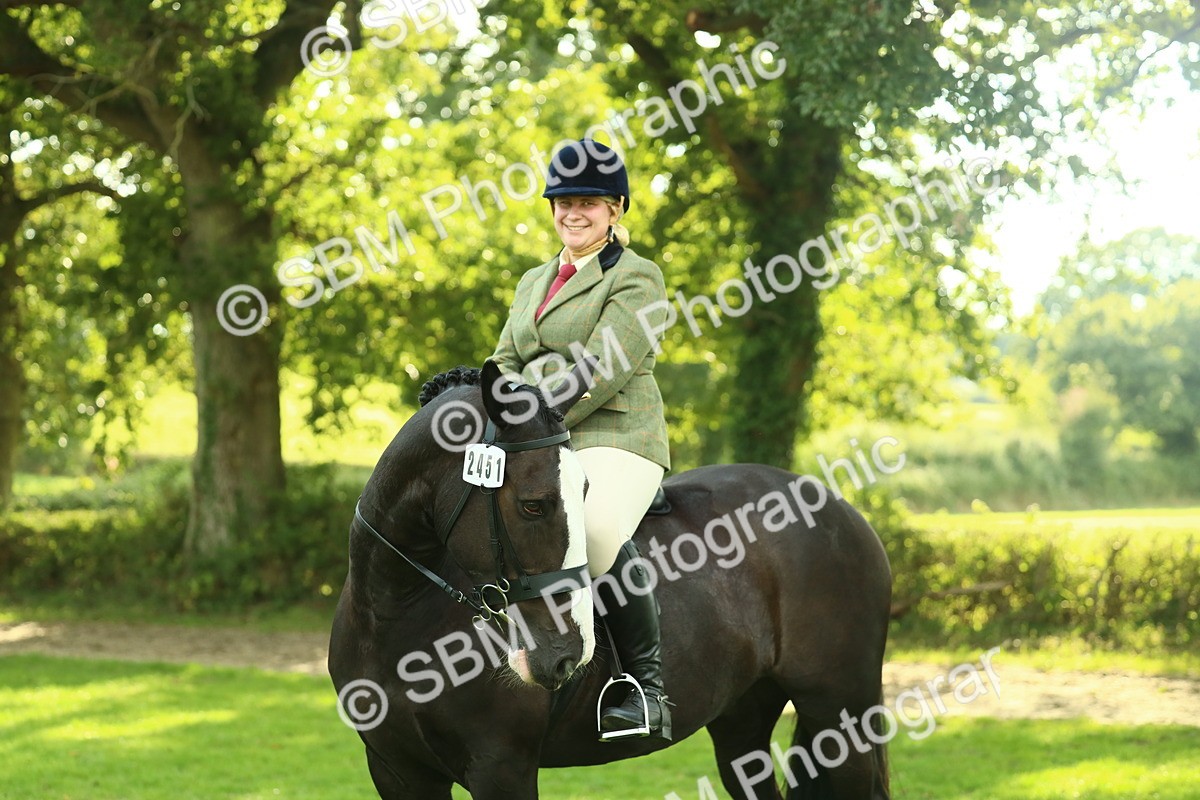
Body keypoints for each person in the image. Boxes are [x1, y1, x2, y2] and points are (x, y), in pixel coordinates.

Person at [490, 138, 673, 740]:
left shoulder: (639, 277)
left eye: (589, 202)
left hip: (617, 434)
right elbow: (502, 362)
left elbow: (603, 365)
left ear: (615, 209)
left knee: (591, 528)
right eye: (563, 201)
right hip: (540, 439)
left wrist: (525, 398)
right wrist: (507, 402)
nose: (574, 212)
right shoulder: (531, 279)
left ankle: (644, 688)